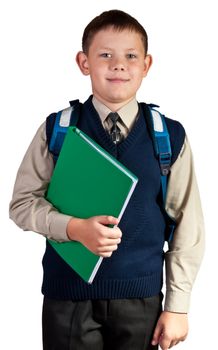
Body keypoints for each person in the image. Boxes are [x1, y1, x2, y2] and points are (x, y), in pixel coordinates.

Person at [9, 9, 204, 350]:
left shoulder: (169, 137)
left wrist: (178, 306)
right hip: (67, 299)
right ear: (84, 63)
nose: (118, 65)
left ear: (146, 65)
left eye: (130, 56)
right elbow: (22, 205)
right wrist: (73, 228)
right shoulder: (58, 130)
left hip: (140, 300)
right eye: (105, 55)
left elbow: (188, 224)